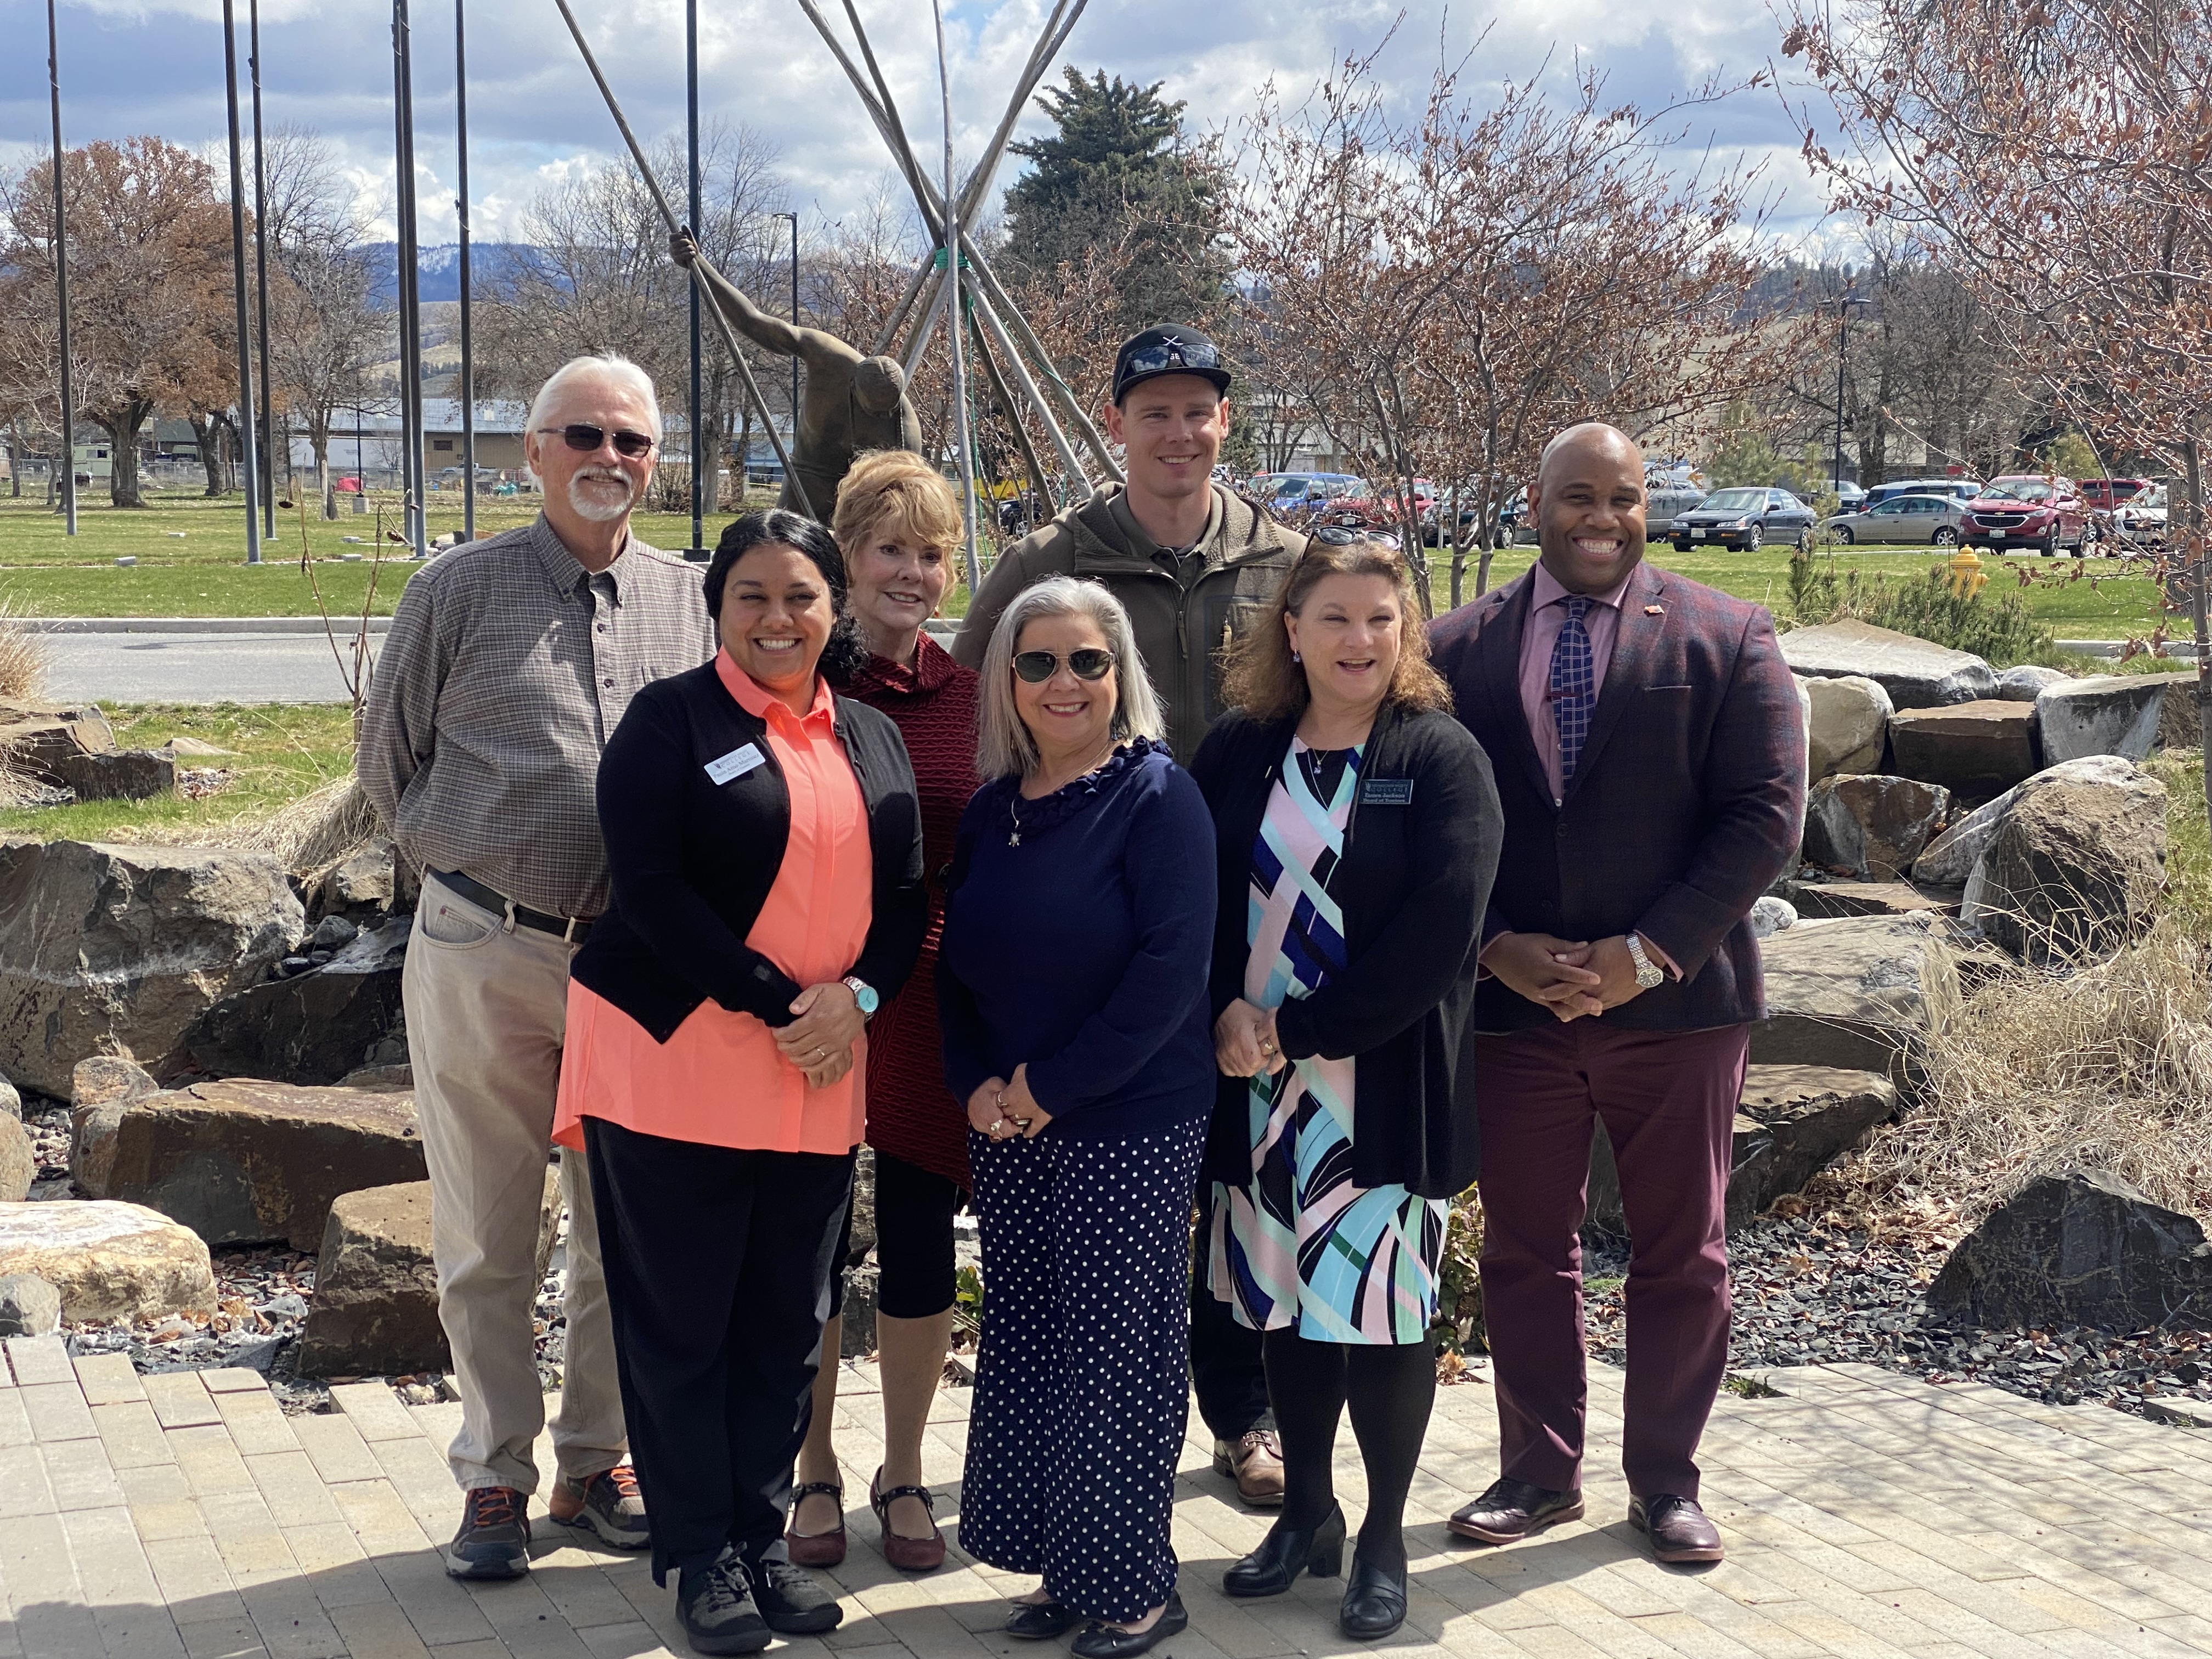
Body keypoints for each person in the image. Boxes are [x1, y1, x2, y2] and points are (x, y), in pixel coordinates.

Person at [1426, 423, 1807, 1566]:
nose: (1602, 519)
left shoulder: (1727, 634)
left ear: (1650, 507)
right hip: (1516, 1012)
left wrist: (1647, 952)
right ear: (1534, 505)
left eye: (1625, 499)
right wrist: (1492, 946)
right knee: (1524, 1253)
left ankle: (1668, 1483)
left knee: (1681, 1252)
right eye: (1579, 497)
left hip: (1678, 1007)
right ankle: (1540, 1473)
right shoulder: (1456, 647)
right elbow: (1431, 826)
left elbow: (1766, 818)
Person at [359, 353, 712, 1578]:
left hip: (634, 967)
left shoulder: (696, 600)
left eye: (632, 440)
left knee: (620, 1227)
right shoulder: (456, 590)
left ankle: (593, 1461)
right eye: (582, 436)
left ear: (657, 461)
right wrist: (467, 876)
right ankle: (495, 1475)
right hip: (483, 946)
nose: (608, 459)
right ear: (532, 451)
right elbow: (386, 766)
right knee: (487, 1230)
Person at [550, 509, 927, 1654]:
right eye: (753, 595)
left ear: (834, 609)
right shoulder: (673, 721)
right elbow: (654, 893)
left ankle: (764, 1543)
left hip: (816, 1069)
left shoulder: (869, 735)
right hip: (675, 1065)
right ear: (719, 606)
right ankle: (700, 1556)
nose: (779, 618)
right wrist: (782, 1001)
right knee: (682, 1328)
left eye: (801, 596)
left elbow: (907, 899)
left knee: (784, 1324)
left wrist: (852, 1004)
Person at [952, 324, 1301, 1508]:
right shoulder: (1056, 558)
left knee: (1233, 1158)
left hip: (1255, 904)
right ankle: (1089, 1459)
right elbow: (976, 700)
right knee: (1138, 1158)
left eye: (1200, 409)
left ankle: (1242, 1411)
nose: (1180, 432)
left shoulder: (1281, 562)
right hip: (1104, 911)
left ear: (1224, 423)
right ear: (1117, 423)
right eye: (1155, 409)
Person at [1191, 535, 1500, 1639]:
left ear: (1407, 630)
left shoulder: (1440, 756)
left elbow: (1440, 935)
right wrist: (1223, 1016)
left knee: (1382, 1318)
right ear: (1292, 630)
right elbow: (1191, 898)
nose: (1359, 639)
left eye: (1382, 618)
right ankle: (1307, 1515)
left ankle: (1380, 1541)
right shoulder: (1237, 752)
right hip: (1256, 1091)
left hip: (1380, 1094)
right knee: (1281, 1307)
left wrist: (1297, 1030)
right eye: (1335, 617)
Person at [938, 577, 1216, 1659]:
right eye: (1039, 662)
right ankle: (1069, 1565)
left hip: (1125, 1121)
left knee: (1115, 1351)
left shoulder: (1157, 797)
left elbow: (1167, 977)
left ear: (1121, 675)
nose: (1064, 682)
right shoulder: (995, 807)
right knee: (1032, 1339)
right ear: (1007, 681)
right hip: (1007, 1123)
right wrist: (975, 1084)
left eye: (1087, 661)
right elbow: (955, 966)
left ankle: (1137, 1587)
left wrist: (1047, 1089)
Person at [784, 451, 980, 1574]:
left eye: (931, 551)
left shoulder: (970, 695)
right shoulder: (806, 685)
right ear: (846, 558)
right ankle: (812, 1466)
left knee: (912, 1249)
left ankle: (902, 1469)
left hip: (923, 1010)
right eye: (889, 548)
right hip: (807, 1010)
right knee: (812, 1250)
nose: (911, 571)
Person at [672, 229, 923, 519]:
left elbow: (901, 496)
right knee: (786, 546)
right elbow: (752, 320)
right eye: (872, 409)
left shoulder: (904, 433)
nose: (879, 417)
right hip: (807, 473)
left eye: (884, 412)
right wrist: (700, 265)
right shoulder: (828, 357)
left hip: (859, 493)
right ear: (853, 384)